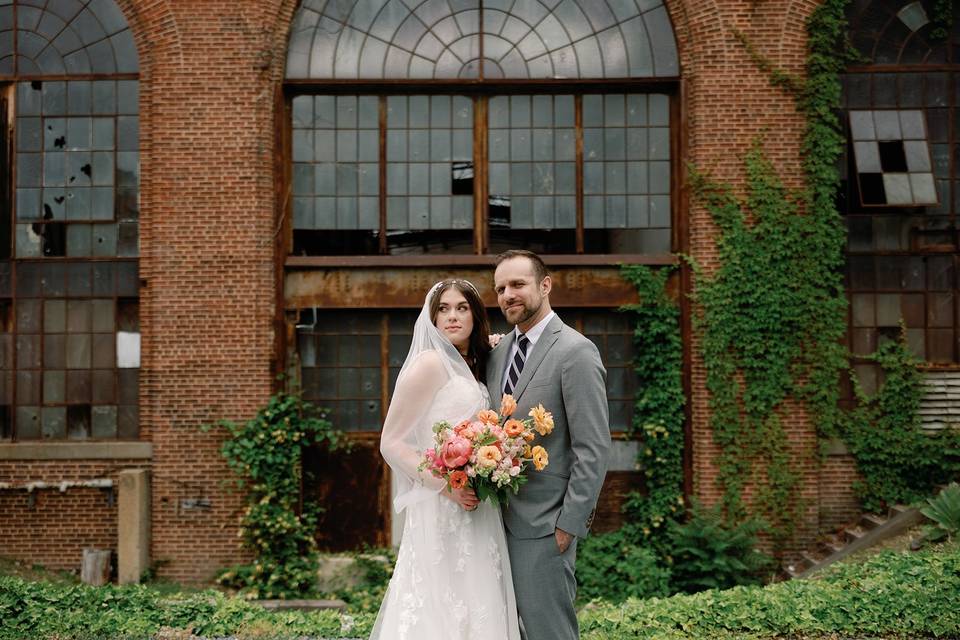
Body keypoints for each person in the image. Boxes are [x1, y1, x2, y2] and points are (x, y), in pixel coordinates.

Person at [371, 279, 521, 640]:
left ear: (475, 315)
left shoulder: (475, 363)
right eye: (444, 308)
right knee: (440, 604)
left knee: (479, 600)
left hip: (480, 505)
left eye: (462, 308)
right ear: (432, 316)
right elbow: (391, 443)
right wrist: (446, 488)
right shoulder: (429, 364)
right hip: (442, 506)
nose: (452, 316)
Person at [487, 250, 611, 640]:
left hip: (544, 528)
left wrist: (568, 525)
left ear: (545, 285)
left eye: (518, 284)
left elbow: (593, 448)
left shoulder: (575, 352)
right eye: (501, 288)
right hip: (491, 526)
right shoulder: (496, 352)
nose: (508, 294)